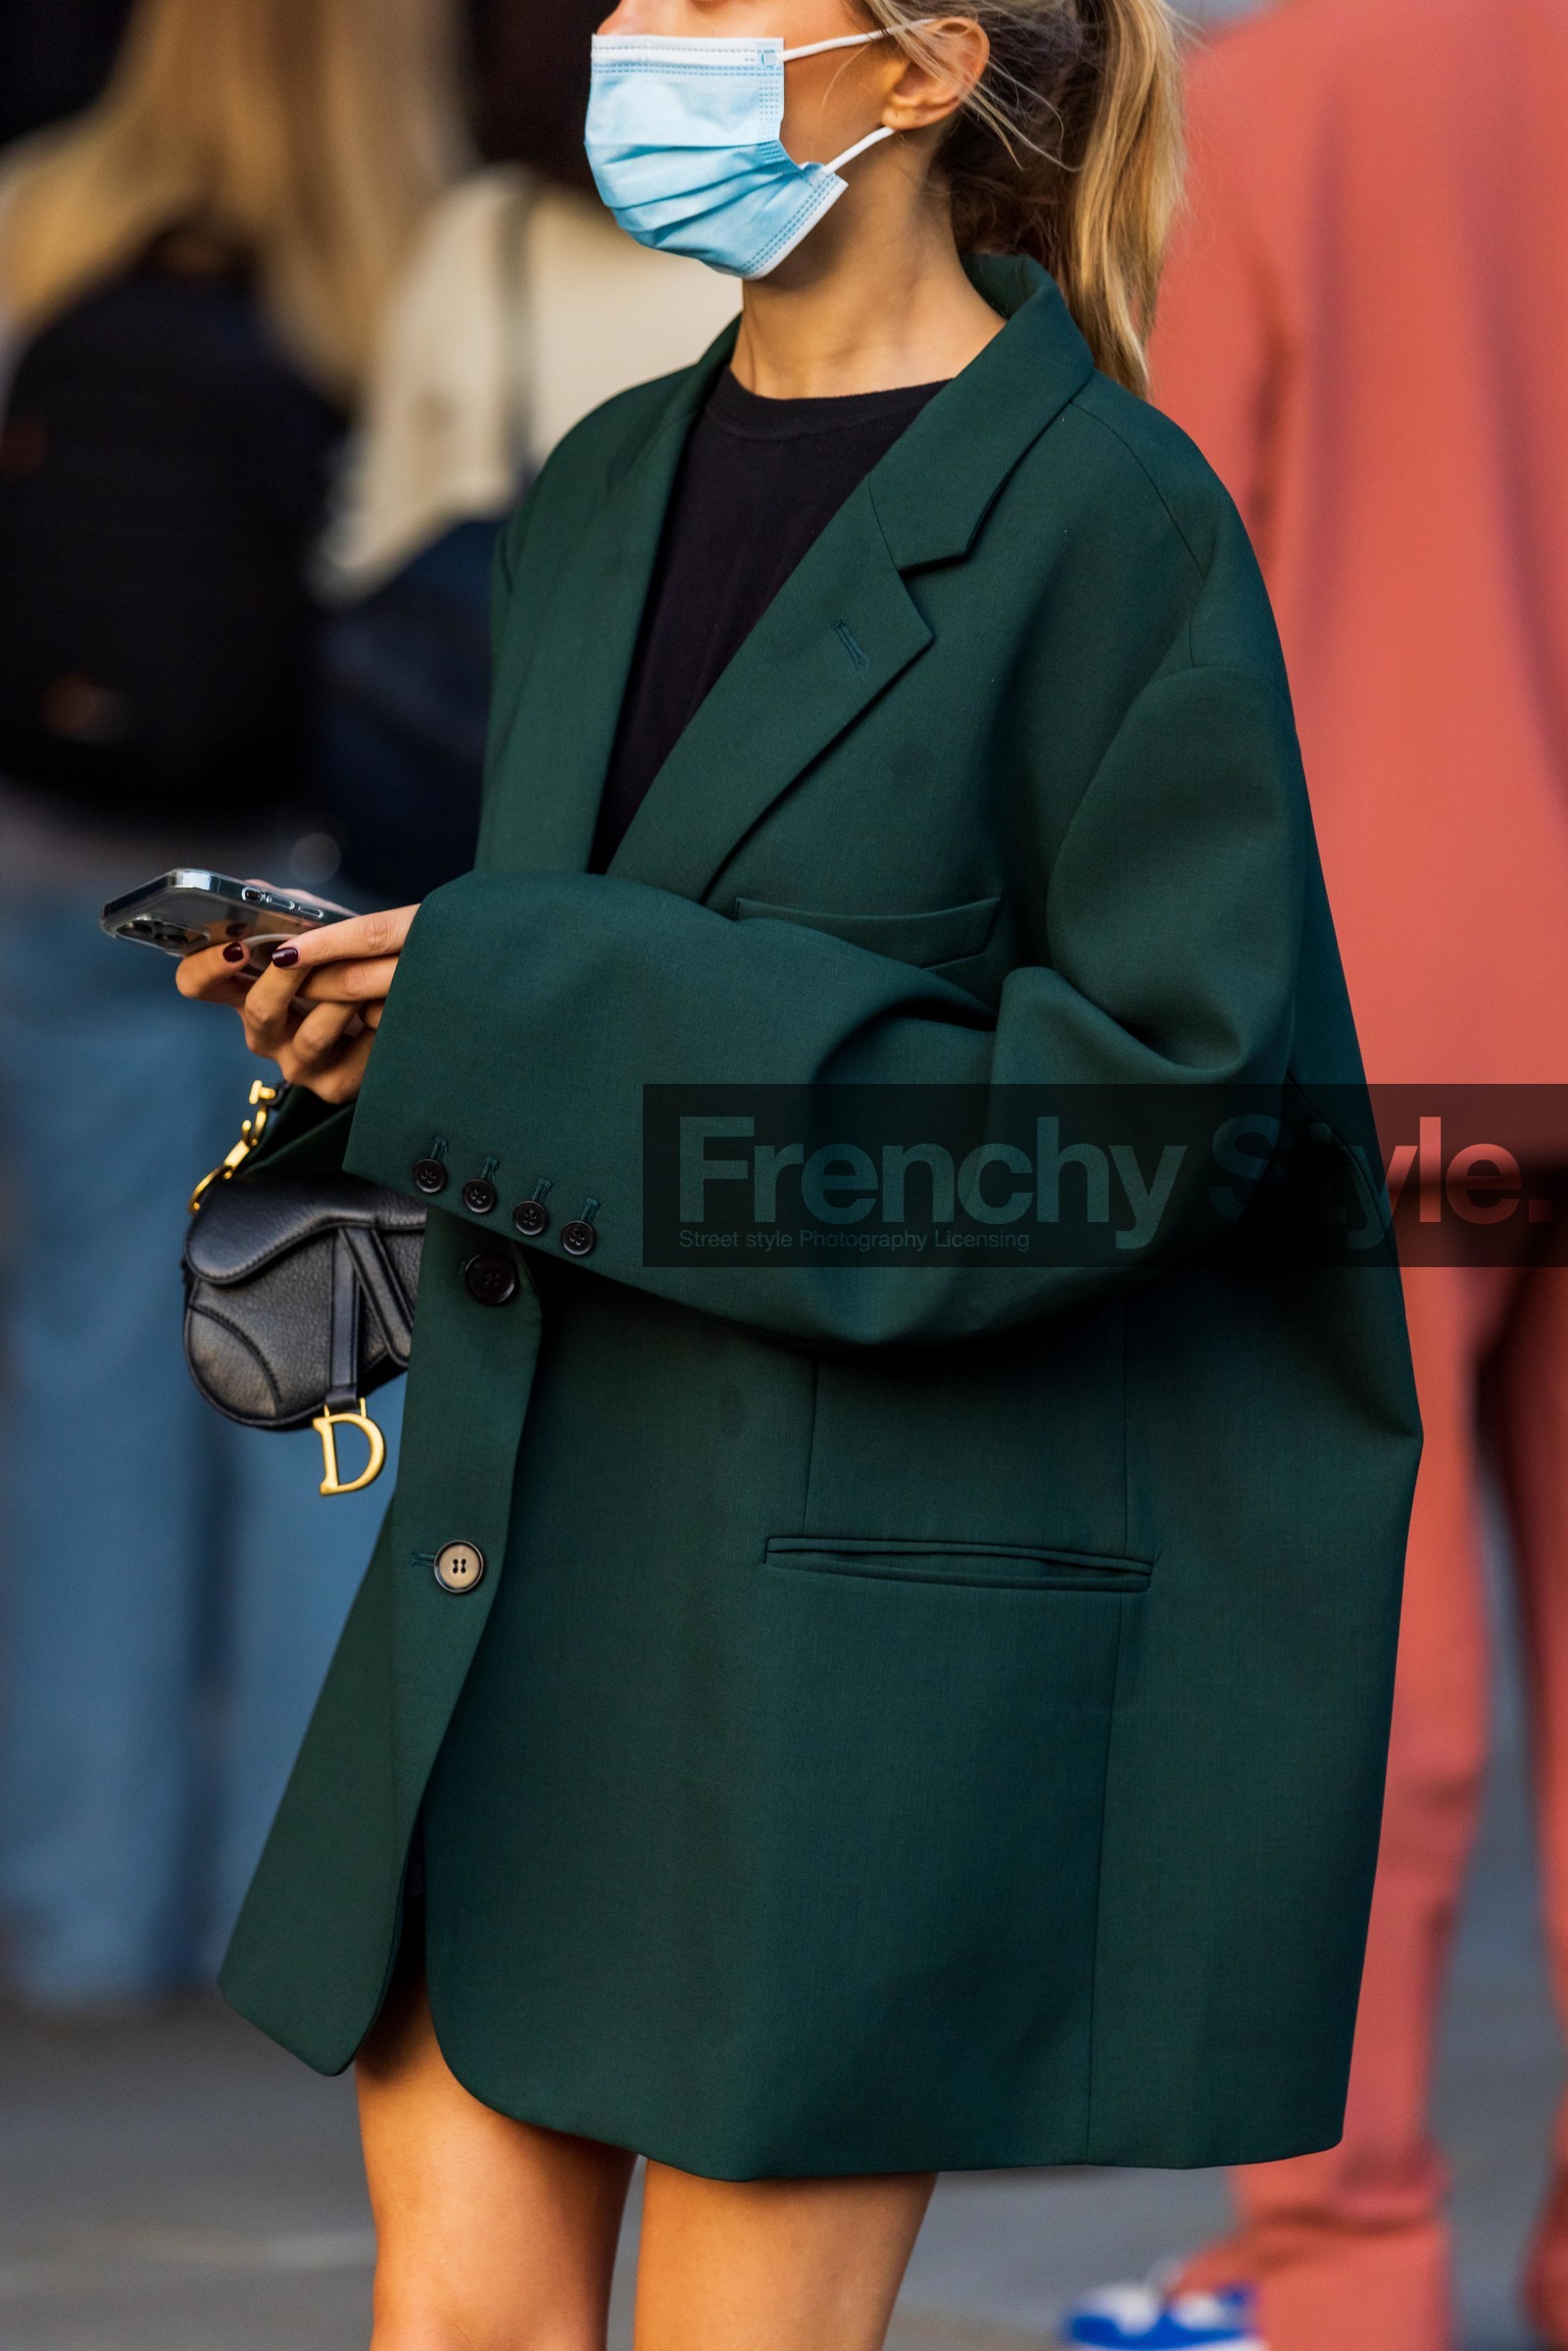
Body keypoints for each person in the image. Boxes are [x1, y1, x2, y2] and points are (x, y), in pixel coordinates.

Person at [178, 2, 1420, 2345]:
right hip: (511, 1569)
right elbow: (574, 1002)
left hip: (837, 1632)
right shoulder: (605, 483)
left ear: (921, 66)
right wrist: (388, 1019)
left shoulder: (1115, 521)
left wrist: (526, 1002)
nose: (628, 39)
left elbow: (1135, 1126)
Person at [1062, 2, 1568, 2348]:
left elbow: (1167, 580)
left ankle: (1336, 2276)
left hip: (1375, 994)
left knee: (1350, 1678)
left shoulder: (1270, 98)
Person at [0, 0, 467, 2008]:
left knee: (83, 1366)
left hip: (55, 871)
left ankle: (81, 1910)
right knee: (320, 1385)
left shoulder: (34, 224)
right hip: (325, 899)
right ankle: (302, 1914)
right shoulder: (418, 260)